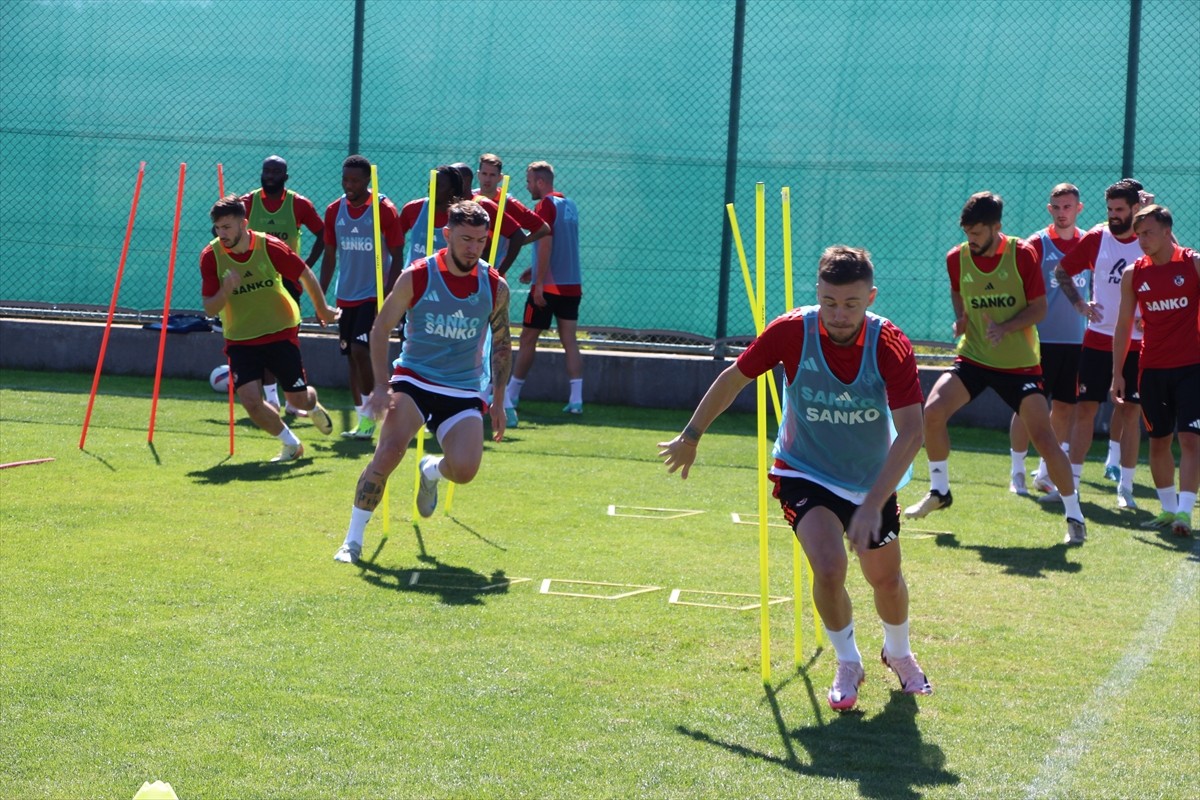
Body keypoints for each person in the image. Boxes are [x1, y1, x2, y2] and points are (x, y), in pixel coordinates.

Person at [659, 245, 931, 712]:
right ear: (818, 295)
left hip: (872, 480)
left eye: (851, 304)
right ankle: (848, 662)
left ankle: (899, 652)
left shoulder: (890, 344)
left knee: (884, 579)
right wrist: (691, 433)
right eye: (829, 303)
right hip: (804, 469)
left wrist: (871, 503)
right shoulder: (791, 331)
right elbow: (734, 377)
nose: (839, 314)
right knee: (828, 567)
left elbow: (912, 431)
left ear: (870, 297)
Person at [334, 201, 512, 564]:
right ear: (446, 235)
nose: (473, 248)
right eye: (465, 239)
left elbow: (503, 342)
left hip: (463, 388)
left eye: (480, 240)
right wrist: (383, 385)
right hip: (414, 379)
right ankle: (352, 541)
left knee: (465, 471)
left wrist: (498, 398)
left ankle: (431, 469)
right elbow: (380, 328)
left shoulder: (494, 285)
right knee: (387, 454)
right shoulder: (417, 274)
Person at [905, 192, 1088, 545]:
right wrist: (961, 318)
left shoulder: (1022, 254)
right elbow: (958, 292)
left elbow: (1039, 310)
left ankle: (1074, 516)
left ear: (996, 228)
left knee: (1045, 438)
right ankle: (939, 491)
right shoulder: (956, 258)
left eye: (977, 233)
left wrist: (1004, 328)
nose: (970, 239)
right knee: (932, 411)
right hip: (973, 357)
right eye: (967, 232)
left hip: (1019, 365)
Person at [200, 195, 338, 461]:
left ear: (244, 223)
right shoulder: (211, 256)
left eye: (227, 227)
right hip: (240, 337)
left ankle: (312, 405)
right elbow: (209, 308)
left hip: (280, 331)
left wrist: (322, 309)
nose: (222, 233)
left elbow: (304, 274)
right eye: (218, 228)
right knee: (251, 402)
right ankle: (291, 444)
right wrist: (226, 290)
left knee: (297, 400)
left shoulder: (269, 246)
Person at [1053, 179, 1146, 508]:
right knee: (1085, 410)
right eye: (1109, 209)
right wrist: (1080, 304)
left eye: (1120, 209)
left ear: (1136, 208)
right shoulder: (1098, 237)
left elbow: (1174, 266)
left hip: (1136, 343)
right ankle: (1073, 484)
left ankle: (1126, 488)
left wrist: (1148, 313)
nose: (1113, 215)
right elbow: (1061, 271)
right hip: (1098, 340)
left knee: (1130, 411)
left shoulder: (1149, 239)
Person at [1112, 205, 1199, 536]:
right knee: (1159, 440)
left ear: (1167, 231)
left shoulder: (1192, 264)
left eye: (1147, 233)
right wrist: (1117, 373)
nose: (1142, 240)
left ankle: (1185, 513)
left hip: (1193, 366)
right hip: (1152, 369)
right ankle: (1167, 510)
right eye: (1138, 235)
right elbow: (1123, 326)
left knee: (1190, 438)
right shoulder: (1134, 274)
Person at [1008, 184, 1088, 497]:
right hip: (1039, 341)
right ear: (1049, 209)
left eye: (1068, 207)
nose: (1062, 212)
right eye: (1057, 207)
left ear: (1078, 208)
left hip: (1075, 342)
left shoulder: (1087, 243)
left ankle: (1045, 473)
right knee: (1028, 407)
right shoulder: (1036, 244)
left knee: (1066, 408)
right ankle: (1016, 472)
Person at [319, 154, 405, 441]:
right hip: (346, 296)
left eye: (355, 180)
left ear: (368, 180)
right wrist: (320, 297)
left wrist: (389, 296)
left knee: (360, 349)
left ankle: (373, 413)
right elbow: (330, 255)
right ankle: (363, 421)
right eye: (345, 179)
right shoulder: (334, 211)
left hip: (373, 295)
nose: (349, 185)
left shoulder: (384, 209)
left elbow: (397, 255)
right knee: (351, 358)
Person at [241, 155, 326, 418]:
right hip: (254, 283)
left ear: (285, 176)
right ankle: (272, 400)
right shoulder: (247, 203)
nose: (270, 176)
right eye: (266, 171)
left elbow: (323, 233)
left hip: (286, 285)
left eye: (276, 172)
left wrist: (305, 265)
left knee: (285, 342)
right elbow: (223, 231)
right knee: (258, 342)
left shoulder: (298, 204)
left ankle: (293, 399)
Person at [504, 161, 582, 426]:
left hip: (548, 287)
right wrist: (533, 267)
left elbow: (547, 241)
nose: (526, 187)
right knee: (569, 340)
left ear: (540, 182)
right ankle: (576, 400)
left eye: (528, 182)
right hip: (572, 284)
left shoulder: (544, 206)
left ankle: (511, 396)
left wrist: (538, 282)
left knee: (527, 338)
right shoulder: (569, 205)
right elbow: (562, 247)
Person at [475, 153, 551, 275]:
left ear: (500, 178)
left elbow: (543, 228)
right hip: (468, 267)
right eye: (484, 174)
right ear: (478, 174)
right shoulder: (471, 198)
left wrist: (515, 243)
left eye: (492, 175)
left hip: (493, 269)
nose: (487, 179)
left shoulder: (507, 203)